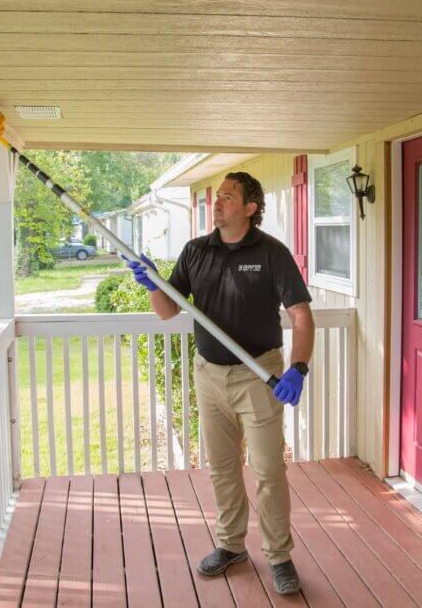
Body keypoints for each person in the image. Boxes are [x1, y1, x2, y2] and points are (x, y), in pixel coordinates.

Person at [125, 171, 314, 595]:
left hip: (259, 375)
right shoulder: (196, 251)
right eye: (218, 196)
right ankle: (231, 546)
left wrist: (298, 369)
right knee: (223, 468)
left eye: (229, 197)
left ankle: (279, 556)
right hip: (209, 374)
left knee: (268, 470)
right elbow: (166, 312)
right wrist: (152, 283)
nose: (219, 202)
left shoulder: (271, 253)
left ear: (250, 208)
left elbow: (302, 316)